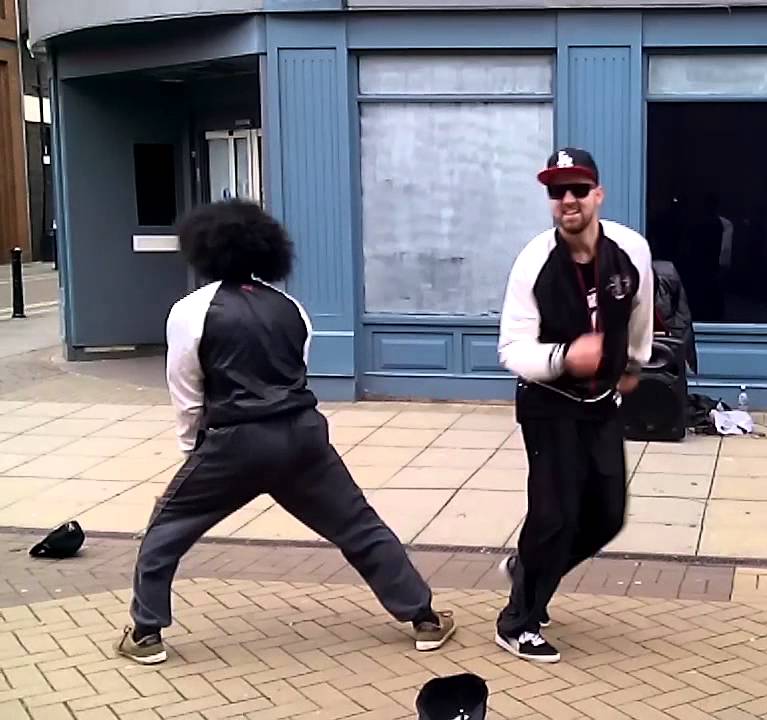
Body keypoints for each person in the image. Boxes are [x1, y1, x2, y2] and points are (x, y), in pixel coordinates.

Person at [116, 199, 455, 665]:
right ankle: (424, 618)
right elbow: (297, 372)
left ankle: (146, 633)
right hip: (301, 437)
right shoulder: (292, 307)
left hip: (234, 441)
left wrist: (190, 445)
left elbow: (185, 386)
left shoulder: (191, 310)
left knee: (166, 528)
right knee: (358, 526)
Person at [494, 147, 654, 663]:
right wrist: (565, 357)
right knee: (554, 515)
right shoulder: (534, 261)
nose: (568, 200)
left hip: (602, 403)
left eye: (578, 190)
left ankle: (529, 570)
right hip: (548, 404)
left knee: (607, 515)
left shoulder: (630, 250)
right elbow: (512, 349)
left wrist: (632, 366)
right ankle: (518, 621)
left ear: (598, 195)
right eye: (557, 191)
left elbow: (639, 315)